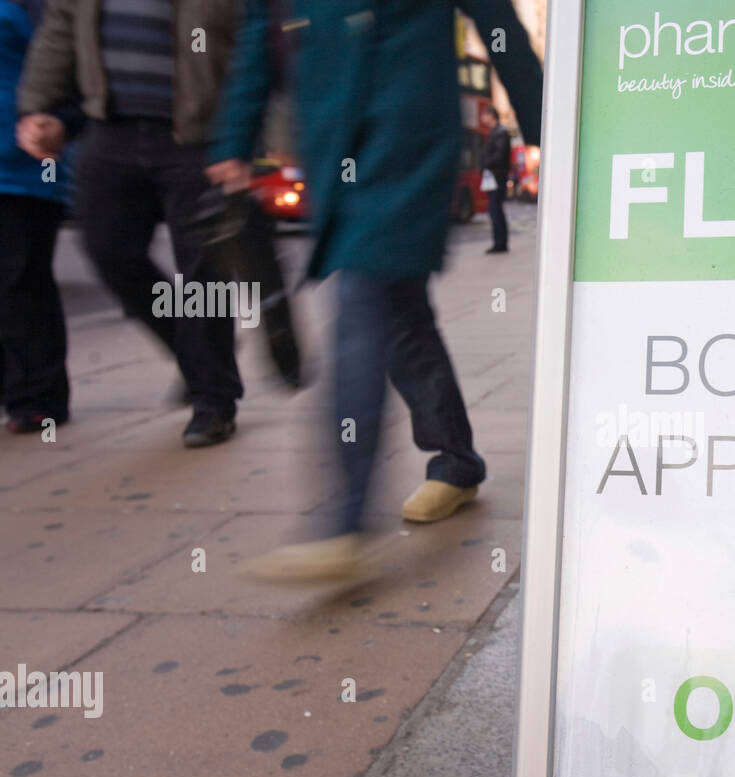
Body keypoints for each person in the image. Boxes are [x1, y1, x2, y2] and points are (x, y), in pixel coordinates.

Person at [206, 1, 542, 580]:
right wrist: (234, 141)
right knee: (398, 312)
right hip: (334, 142)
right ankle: (458, 460)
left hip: (408, 136)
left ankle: (343, 523)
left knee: (362, 301)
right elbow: (260, 41)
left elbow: (496, 18)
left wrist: (545, 124)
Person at [16, 0, 246, 447]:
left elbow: (250, 47)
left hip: (196, 135)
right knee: (108, 249)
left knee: (203, 268)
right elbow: (60, 30)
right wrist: (39, 106)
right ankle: (194, 352)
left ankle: (213, 401)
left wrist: (243, 138)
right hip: (111, 129)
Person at [1, 0, 71, 435]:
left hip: (21, 170)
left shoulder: (29, 7)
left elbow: (64, 65)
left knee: (20, 284)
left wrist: (49, 128)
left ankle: (37, 399)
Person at [482, 105, 511, 254]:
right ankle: (499, 242)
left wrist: (486, 163)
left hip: (497, 176)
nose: (482, 118)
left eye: (484, 115)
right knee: (494, 209)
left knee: (495, 209)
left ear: (491, 116)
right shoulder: (496, 132)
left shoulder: (500, 132)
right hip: (494, 176)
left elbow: (500, 155)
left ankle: (500, 243)